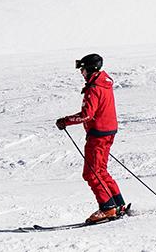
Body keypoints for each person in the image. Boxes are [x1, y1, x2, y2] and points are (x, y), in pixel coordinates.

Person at [55, 54, 127, 223]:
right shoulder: (104, 83)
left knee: (91, 173)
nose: (81, 72)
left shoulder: (94, 88)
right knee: (100, 171)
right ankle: (118, 204)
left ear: (91, 69)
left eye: (83, 68)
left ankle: (108, 208)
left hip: (98, 134)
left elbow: (87, 115)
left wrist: (65, 121)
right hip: (107, 132)